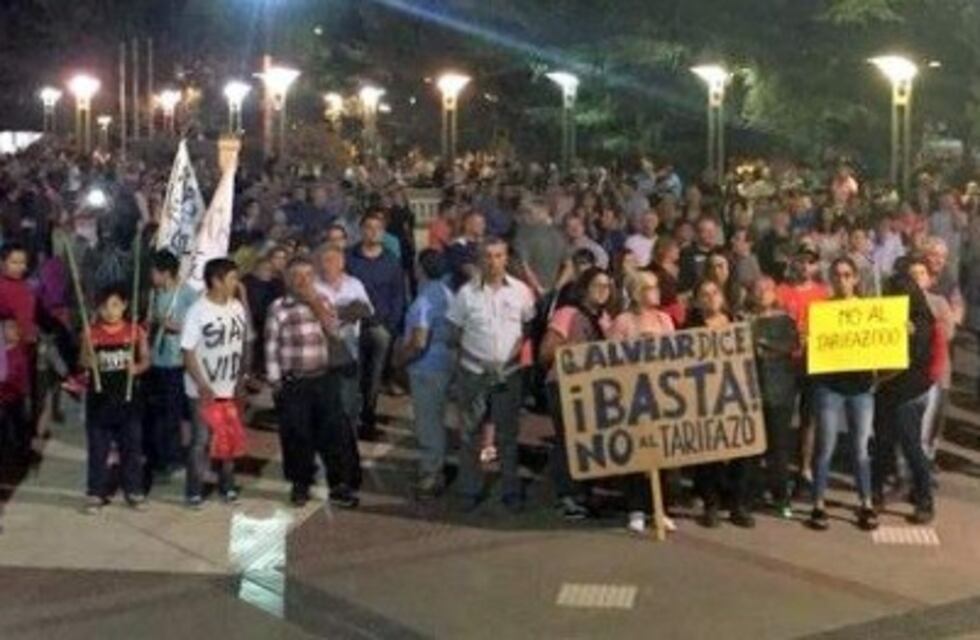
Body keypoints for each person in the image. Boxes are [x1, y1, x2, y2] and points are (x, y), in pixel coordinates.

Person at [446, 238, 535, 511]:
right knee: (470, 434)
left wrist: (510, 359)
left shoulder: (521, 291)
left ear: (506, 258)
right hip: (473, 373)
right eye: (487, 256)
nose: (493, 261)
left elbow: (527, 329)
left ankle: (510, 490)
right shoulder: (466, 294)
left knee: (508, 435)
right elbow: (454, 334)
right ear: (479, 259)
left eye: (498, 255)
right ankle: (469, 490)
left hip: (508, 373)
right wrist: (475, 360)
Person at [266, 256, 361, 508]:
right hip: (294, 380)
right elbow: (271, 345)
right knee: (297, 434)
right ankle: (300, 484)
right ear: (288, 280)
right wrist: (275, 381)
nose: (303, 281)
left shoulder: (323, 300)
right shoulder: (278, 307)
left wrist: (315, 304)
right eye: (297, 276)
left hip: (323, 377)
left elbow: (335, 332)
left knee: (332, 433)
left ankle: (339, 484)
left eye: (308, 276)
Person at [539, 267, 614, 521]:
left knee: (586, 440)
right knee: (567, 440)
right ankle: (567, 496)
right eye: (597, 286)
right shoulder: (567, 314)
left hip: (592, 387)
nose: (603, 291)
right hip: (563, 384)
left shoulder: (604, 319)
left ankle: (584, 492)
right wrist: (573, 351)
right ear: (584, 288)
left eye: (607, 286)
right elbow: (546, 352)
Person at [808, 256, 877, 531]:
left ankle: (866, 503)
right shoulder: (823, 311)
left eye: (847, 274)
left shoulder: (870, 310)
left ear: (856, 278)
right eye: (837, 275)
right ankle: (818, 504)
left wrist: (900, 332)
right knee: (825, 447)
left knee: (861, 449)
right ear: (831, 279)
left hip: (861, 388)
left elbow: (882, 343)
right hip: (829, 386)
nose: (842, 280)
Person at [608, 270, 677, 533]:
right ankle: (636, 509)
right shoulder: (623, 321)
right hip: (632, 394)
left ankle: (660, 508)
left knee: (663, 454)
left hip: (662, 393)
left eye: (656, 286)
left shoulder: (664, 319)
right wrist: (636, 345)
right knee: (638, 454)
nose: (656, 291)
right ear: (637, 292)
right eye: (650, 287)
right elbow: (608, 357)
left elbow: (676, 354)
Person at [180, 258, 250, 508]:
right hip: (204, 389)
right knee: (201, 440)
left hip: (229, 386)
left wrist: (242, 376)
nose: (236, 283)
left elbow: (242, 342)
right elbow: (187, 351)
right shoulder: (198, 311)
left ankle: (227, 486)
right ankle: (194, 491)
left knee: (228, 437)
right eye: (231, 278)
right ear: (216, 281)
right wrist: (201, 383)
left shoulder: (237, 307)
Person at [686, 278, 756, 528]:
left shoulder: (737, 323)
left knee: (742, 451)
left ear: (722, 296)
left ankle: (738, 504)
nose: (710, 298)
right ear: (696, 301)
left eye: (714, 292)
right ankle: (711, 504)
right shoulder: (689, 329)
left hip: (737, 395)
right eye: (704, 294)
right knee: (710, 454)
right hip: (705, 398)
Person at [872, 266, 937, 524]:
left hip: (909, 392)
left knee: (911, 447)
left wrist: (908, 335)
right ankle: (875, 494)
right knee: (882, 445)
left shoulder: (921, 322)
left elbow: (912, 358)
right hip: (889, 390)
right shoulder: (897, 316)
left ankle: (925, 499)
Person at [82, 284, 151, 514]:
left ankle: (134, 491)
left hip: (128, 401)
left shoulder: (135, 331)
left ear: (124, 306)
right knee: (98, 450)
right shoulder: (91, 332)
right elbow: (82, 360)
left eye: (114, 305)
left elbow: (146, 360)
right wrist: (88, 361)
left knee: (131, 448)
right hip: (99, 401)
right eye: (104, 307)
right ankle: (95, 493)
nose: (110, 311)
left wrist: (137, 368)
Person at [396, 249, 454, 498]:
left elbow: (419, 341)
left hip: (426, 367)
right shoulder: (447, 293)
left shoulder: (424, 301)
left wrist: (400, 360)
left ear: (421, 269)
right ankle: (439, 464)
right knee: (439, 419)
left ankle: (431, 475)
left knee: (428, 423)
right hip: (446, 362)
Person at [346, 211, 407, 440]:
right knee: (353, 375)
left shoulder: (391, 261)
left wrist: (391, 326)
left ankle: (368, 419)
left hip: (380, 327)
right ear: (361, 230)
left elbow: (398, 295)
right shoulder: (349, 258)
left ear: (383, 233)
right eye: (368, 227)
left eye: (377, 229)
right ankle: (350, 420)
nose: (373, 232)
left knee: (374, 377)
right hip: (352, 327)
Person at [748, 276, 799, 518]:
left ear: (774, 292)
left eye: (767, 289)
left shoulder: (785, 320)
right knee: (753, 448)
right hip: (751, 392)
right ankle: (753, 493)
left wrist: (762, 344)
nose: (762, 293)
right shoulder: (743, 320)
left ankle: (781, 497)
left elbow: (790, 346)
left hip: (780, 391)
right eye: (757, 289)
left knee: (779, 447)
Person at [145, 250, 197, 484]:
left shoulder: (187, 294)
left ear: (165, 272)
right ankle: (157, 457)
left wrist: (177, 326)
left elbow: (200, 325)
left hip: (177, 362)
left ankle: (173, 458)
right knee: (157, 413)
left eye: (154, 272)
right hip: (156, 359)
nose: (151, 276)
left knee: (172, 414)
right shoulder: (155, 293)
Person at [316, 244, 374, 439]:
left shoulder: (354, 284)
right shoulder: (314, 286)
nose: (327, 265)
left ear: (342, 263)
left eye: (332, 260)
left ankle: (348, 438)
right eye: (324, 260)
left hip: (349, 350)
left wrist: (339, 312)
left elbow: (367, 310)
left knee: (348, 399)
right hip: (322, 352)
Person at [678, 215, 720, 292]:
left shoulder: (721, 251)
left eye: (713, 230)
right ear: (697, 234)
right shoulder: (687, 253)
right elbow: (684, 283)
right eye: (706, 231)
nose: (711, 234)